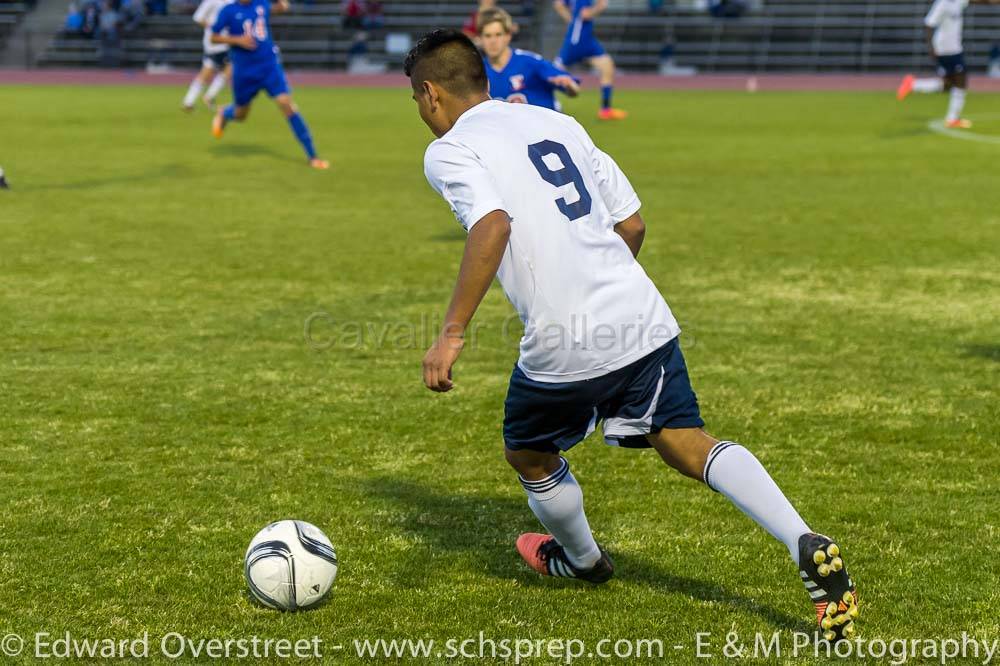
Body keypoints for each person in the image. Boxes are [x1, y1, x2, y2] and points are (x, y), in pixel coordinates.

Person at [405, 28, 860, 643]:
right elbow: (634, 223)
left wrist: (451, 333)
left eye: (416, 100)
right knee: (685, 440)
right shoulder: (558, 124)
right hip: (640, 313)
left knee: (529, 452)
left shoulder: (450, 150)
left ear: (431, 94)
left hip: (564, 338)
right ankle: (802, 537)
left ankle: (585, 561)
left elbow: (491, 226)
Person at [209, 0, 329, 169]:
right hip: (244, 71)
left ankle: (313, 157)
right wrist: (237, 40)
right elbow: (213, 37)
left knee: (287, 105)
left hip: (268, 66)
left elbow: (283, 7)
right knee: (241, 114)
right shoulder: (228, 11)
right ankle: (225, 113)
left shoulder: (261, 4)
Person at [896, 0, 1000, 128]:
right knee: (961, 82)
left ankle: (913, 84)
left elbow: (979, 1)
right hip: (945, 49)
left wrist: (994, 2)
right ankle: (952, 119)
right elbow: (929, 24)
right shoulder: (942, 4)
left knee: (949, 85)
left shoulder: (959, 1)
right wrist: (931, 48)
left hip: (955, 48)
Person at [478, 8, 578, 110]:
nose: (493, 41)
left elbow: (573, 90)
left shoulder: (530, 62)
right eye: (488, 36)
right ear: (480, 39)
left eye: (498, 35)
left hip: (543, 124)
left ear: (508, 36)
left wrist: (569, 85)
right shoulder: (478, 72)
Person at [552, 0, 625, 120]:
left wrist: (571, 20)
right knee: (553, 73)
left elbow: (559, 5)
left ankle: (606, 110)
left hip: (587, 39)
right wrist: (600, 7)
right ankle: (547, 104)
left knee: (607, 66)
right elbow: (585, 14)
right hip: (577, 40)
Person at [182, 0, 232, 111]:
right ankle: (207, 97)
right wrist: (214, 26)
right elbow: (198, 17)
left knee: (221, 69)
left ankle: (189, 101)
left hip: (227, 41)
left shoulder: (232, 1)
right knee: (221, 69)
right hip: (215, 42)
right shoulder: (211, 1)